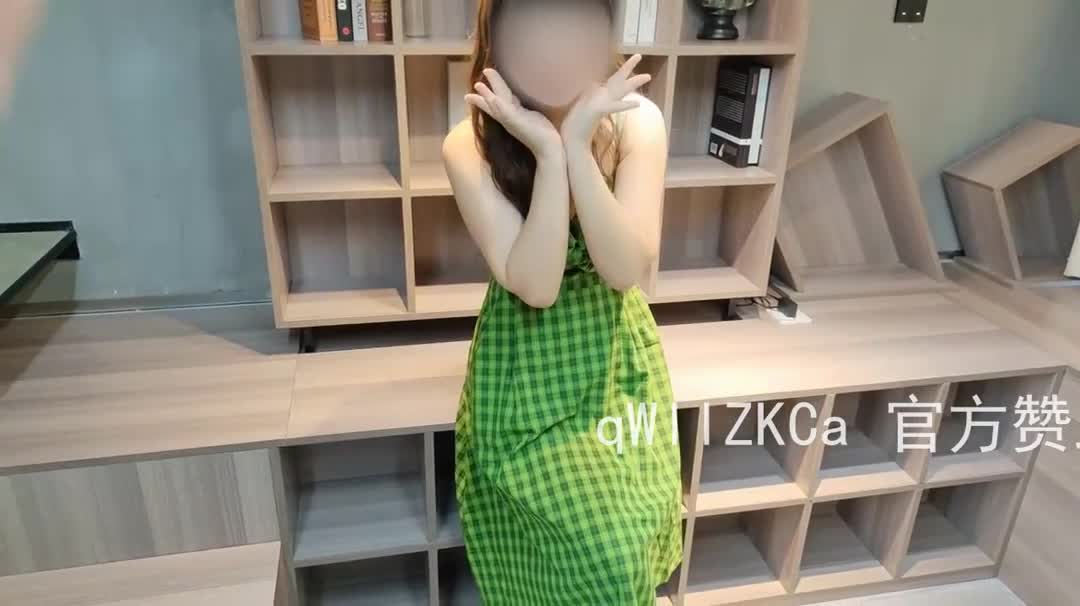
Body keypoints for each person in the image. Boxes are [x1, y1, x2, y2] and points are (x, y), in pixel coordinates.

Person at [443, 0, 681, 603]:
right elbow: (538, 284)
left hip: (612, 363)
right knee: (567, 548)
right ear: (496, 35)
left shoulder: (638, 122)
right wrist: (550, 154)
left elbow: (624, 270)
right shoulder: (468, 145)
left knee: (621, 548)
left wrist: (578, 146)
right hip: (522, 368)